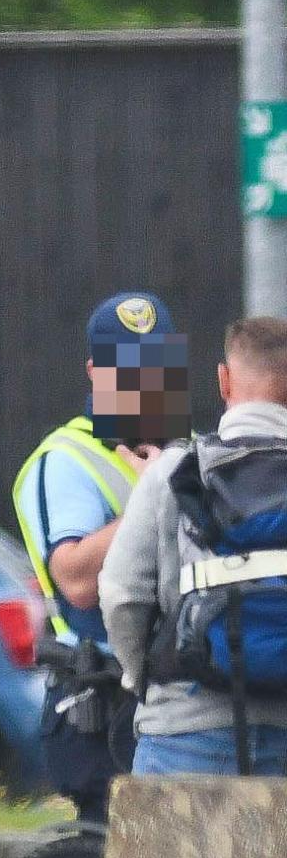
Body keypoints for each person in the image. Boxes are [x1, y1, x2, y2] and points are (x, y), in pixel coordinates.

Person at [12, 293, 182, 818]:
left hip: (178, 699)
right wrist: (150, 492)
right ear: (94, 370)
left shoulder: (187, 449)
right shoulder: (66, 459)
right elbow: (76, 579)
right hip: (100, 701)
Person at [100, 316, 287, 776]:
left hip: (185, 730)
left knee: (168, 851)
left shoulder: (175, 471)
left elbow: (123, 593)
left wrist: (143, 679)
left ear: (224, 379)